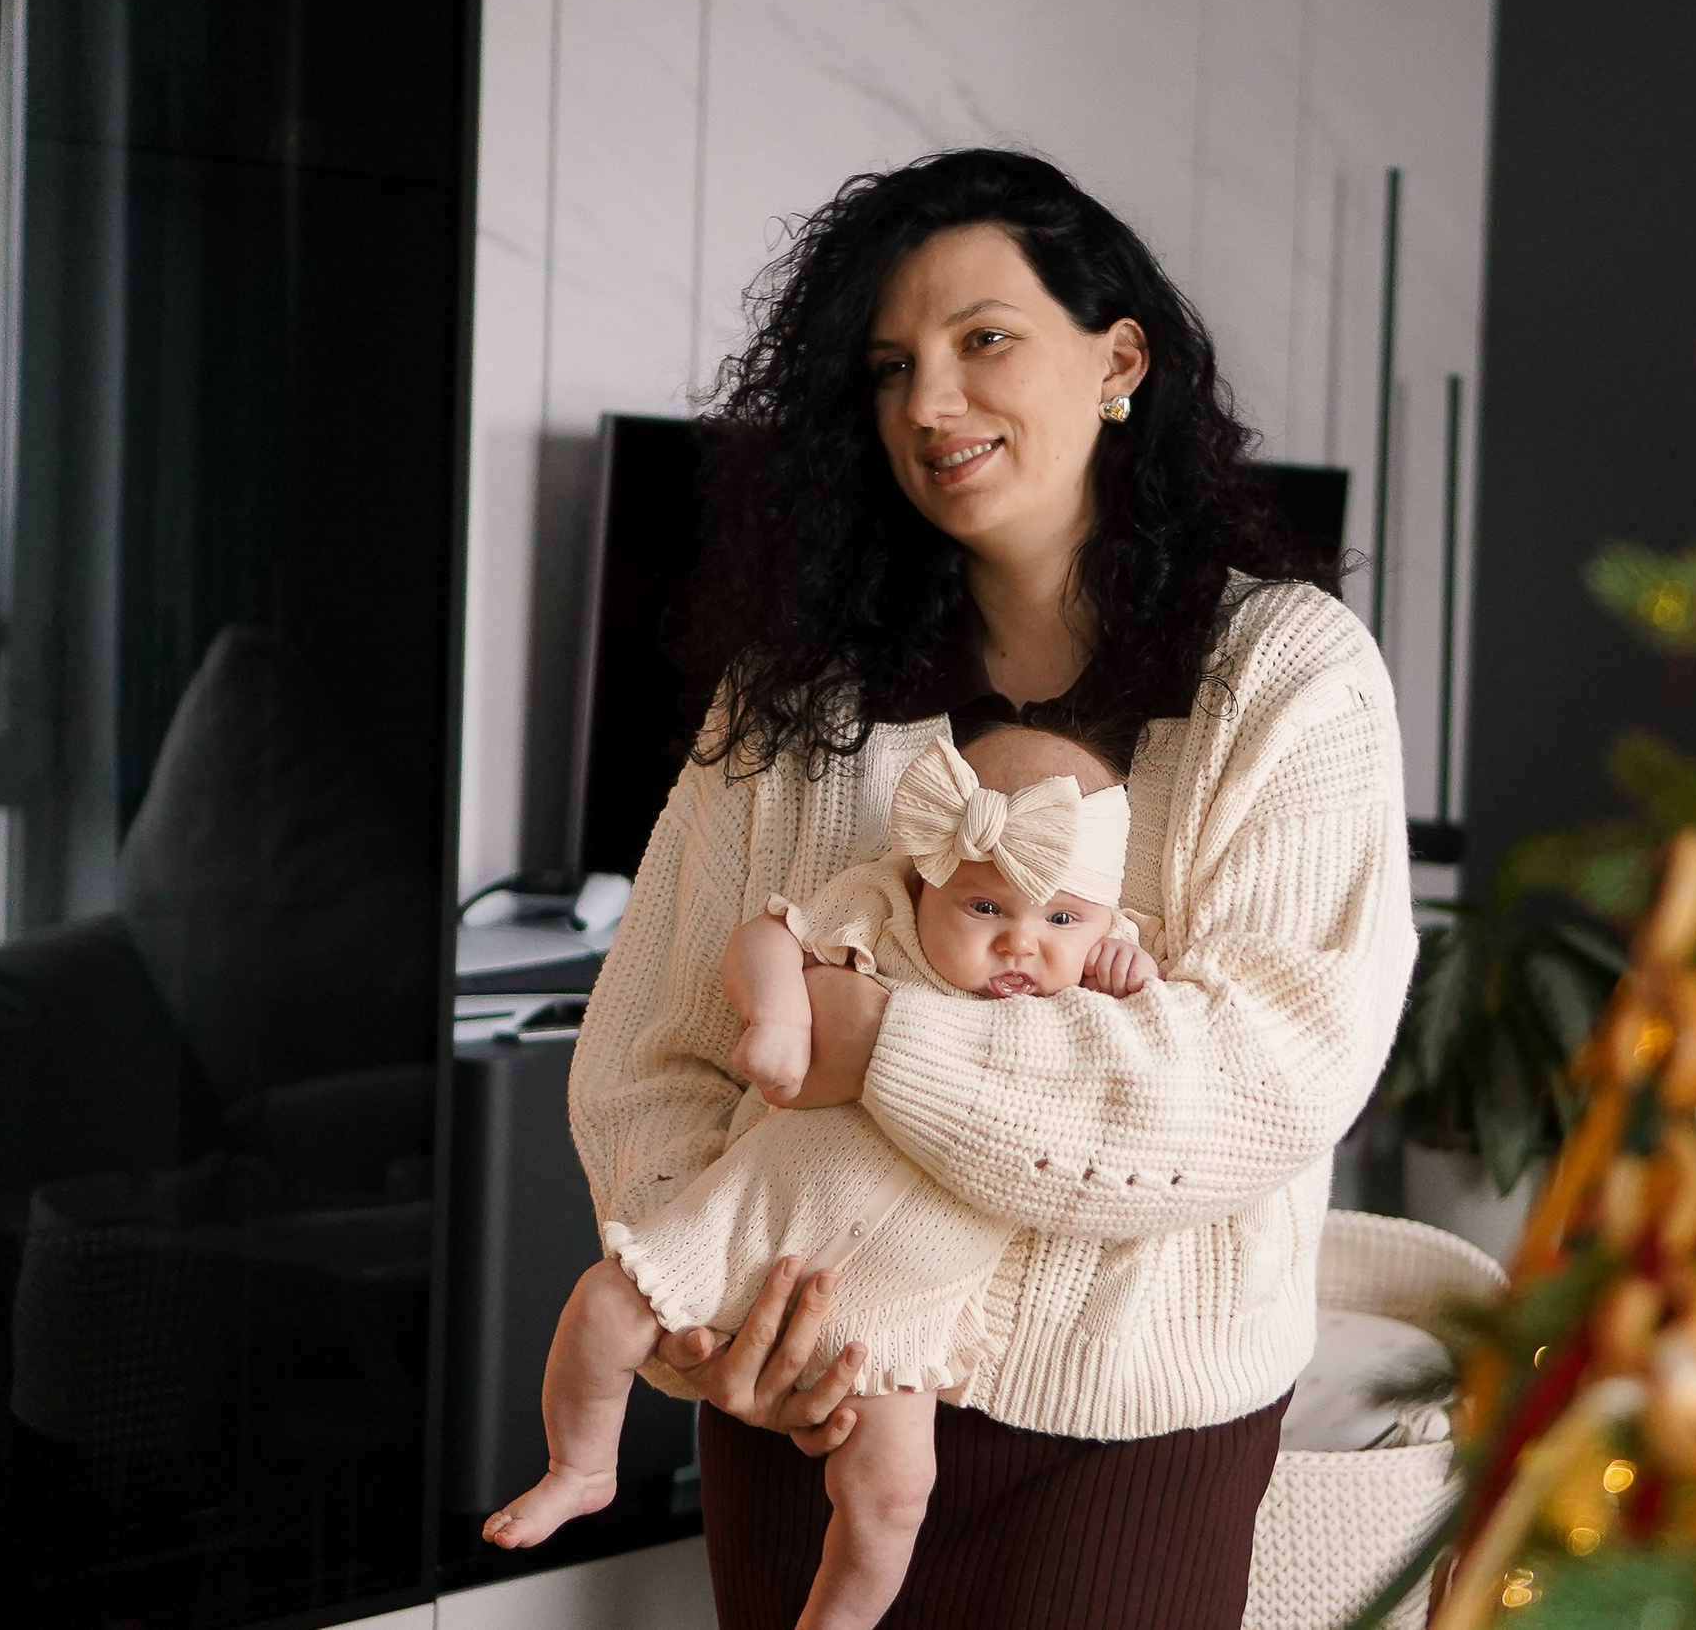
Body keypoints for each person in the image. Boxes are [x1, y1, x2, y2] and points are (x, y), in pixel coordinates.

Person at [568, 147, 1416, 1630]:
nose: (931, 405)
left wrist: (883, 1045)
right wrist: (709, 1319)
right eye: (891, 367)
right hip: (806, 1408)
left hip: (1126, 1437)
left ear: (1119, 359)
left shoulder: (1288, 676)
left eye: (983, 342)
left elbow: (1261, 1076)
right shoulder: (795, 691)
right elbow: (648, 1054)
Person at [487, 725, 1156, 1630]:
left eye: (1062, 920)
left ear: (1103, 920)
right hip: (752, 1218)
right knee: (604, 1305)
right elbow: (764, 935)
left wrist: (1127, 966)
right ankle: (582, 1466)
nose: (1021, 946)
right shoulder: (880, 915)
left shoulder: (1092, 982)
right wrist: (777, 1014)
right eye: (985, 908)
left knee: (892, 1495)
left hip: (903, 1299)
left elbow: (1150, 1067)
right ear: (928, 880)